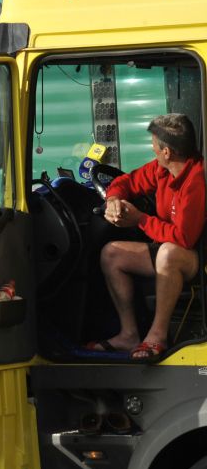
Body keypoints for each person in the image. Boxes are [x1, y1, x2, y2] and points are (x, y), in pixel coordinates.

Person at [88, 114, 205, 360]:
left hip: (195, 256)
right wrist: (113, 201)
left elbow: (183, 238)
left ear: (167, 153)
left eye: (154, 143)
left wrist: (140, 220)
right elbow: (127, 182)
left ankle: (157, 336)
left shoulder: (196, 179)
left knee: (168, 253)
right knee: (111, 254)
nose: (152, 147)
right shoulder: (161, 170)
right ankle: (128, 335)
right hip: (167, 248)